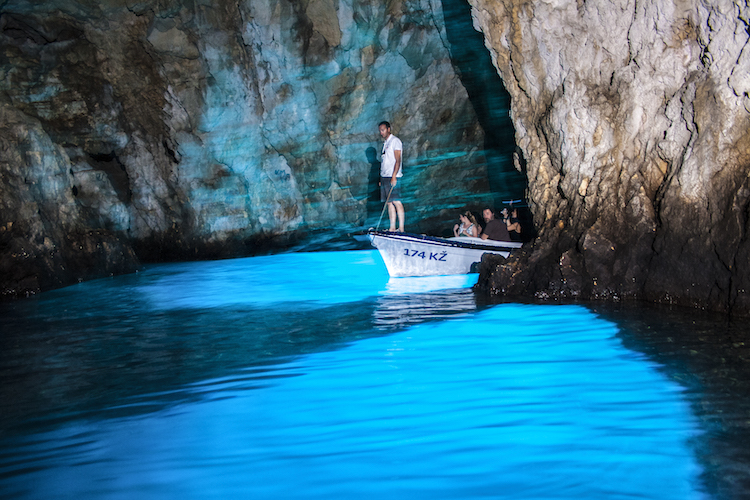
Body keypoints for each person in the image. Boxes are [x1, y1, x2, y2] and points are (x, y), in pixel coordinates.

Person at [378, 121, 404, 232]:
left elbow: (398, 160)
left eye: (383, 130)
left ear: (388, 129)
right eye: (380, 130)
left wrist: (394, 176)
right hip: (385, 176)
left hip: (393, 176)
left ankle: (401, 228)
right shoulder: (385, 143)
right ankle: (392, 227)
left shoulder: (395, 141)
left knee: (396, 200)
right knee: (389, 202)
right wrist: (381, 178)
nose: (381, 132)